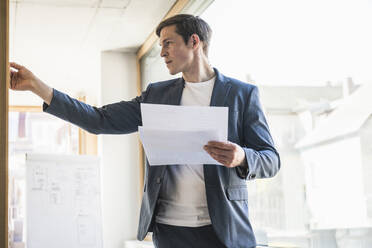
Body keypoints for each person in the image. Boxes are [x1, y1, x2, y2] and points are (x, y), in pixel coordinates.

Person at [10, 14, 280, 248]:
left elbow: (271, 160)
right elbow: (99, 119)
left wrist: (242, 156)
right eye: (161, 45)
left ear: (194, 42)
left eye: (168, 43)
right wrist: (38, 87)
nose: (162, 52)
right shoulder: (157, 95)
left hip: (225, 231)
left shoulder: (242, 95)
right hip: (170, 231)